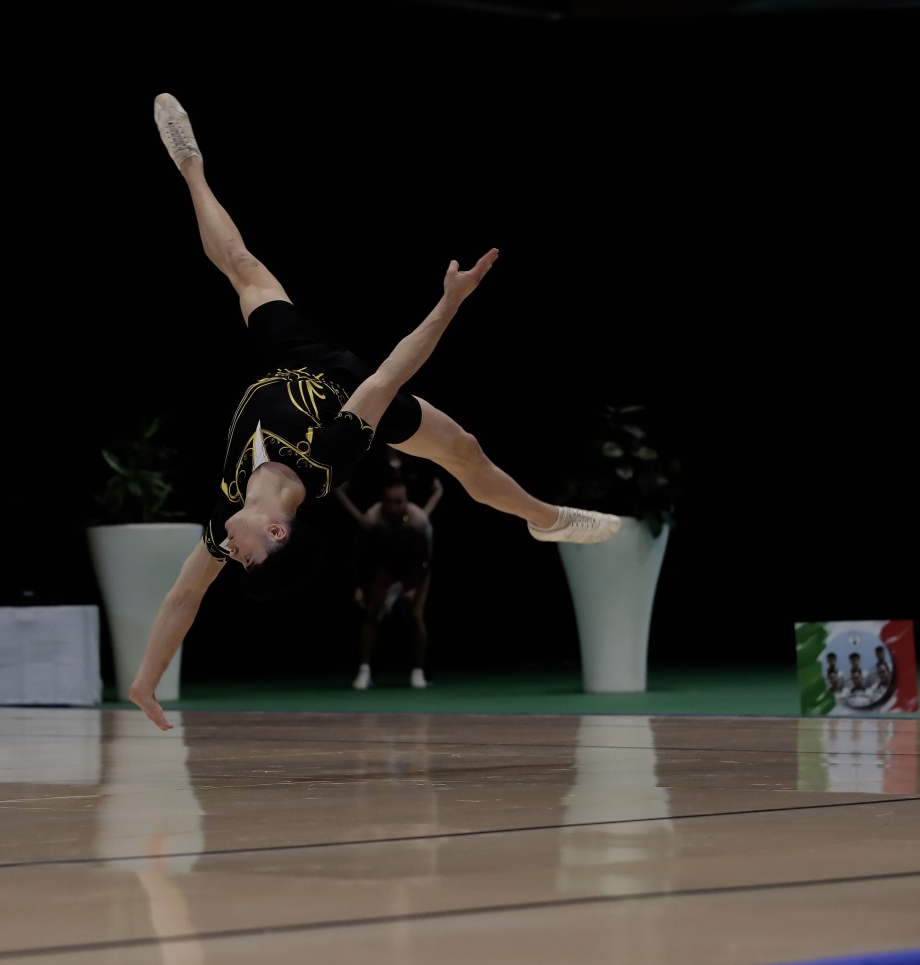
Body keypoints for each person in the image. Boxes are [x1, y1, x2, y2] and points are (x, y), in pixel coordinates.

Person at [127, 93, 621, 732]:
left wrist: (145, 682)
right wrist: (450, 303)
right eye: (247, 558)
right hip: (354, 387)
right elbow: (392, 372)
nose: (233, 554)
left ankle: (189, 165)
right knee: (466, 450)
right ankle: (546, 518)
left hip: (292, 359)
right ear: (276, 533)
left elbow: (183, 598)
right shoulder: (329, 455)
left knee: (243, 266)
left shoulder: (228, 516)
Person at [337, 468, 436, 690]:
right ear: (382, 501)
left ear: (406, 501)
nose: (394, 507)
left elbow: (424, 560)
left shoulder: (419, 521)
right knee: (371, 612)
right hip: (385, 564)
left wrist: (413, 587)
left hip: (416, 566)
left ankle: (418, 671)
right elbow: (358, 556)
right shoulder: (371, 520)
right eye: (389, 502)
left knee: (415, 615)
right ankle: (364, 671)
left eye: (399, 502)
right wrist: (359, 586)